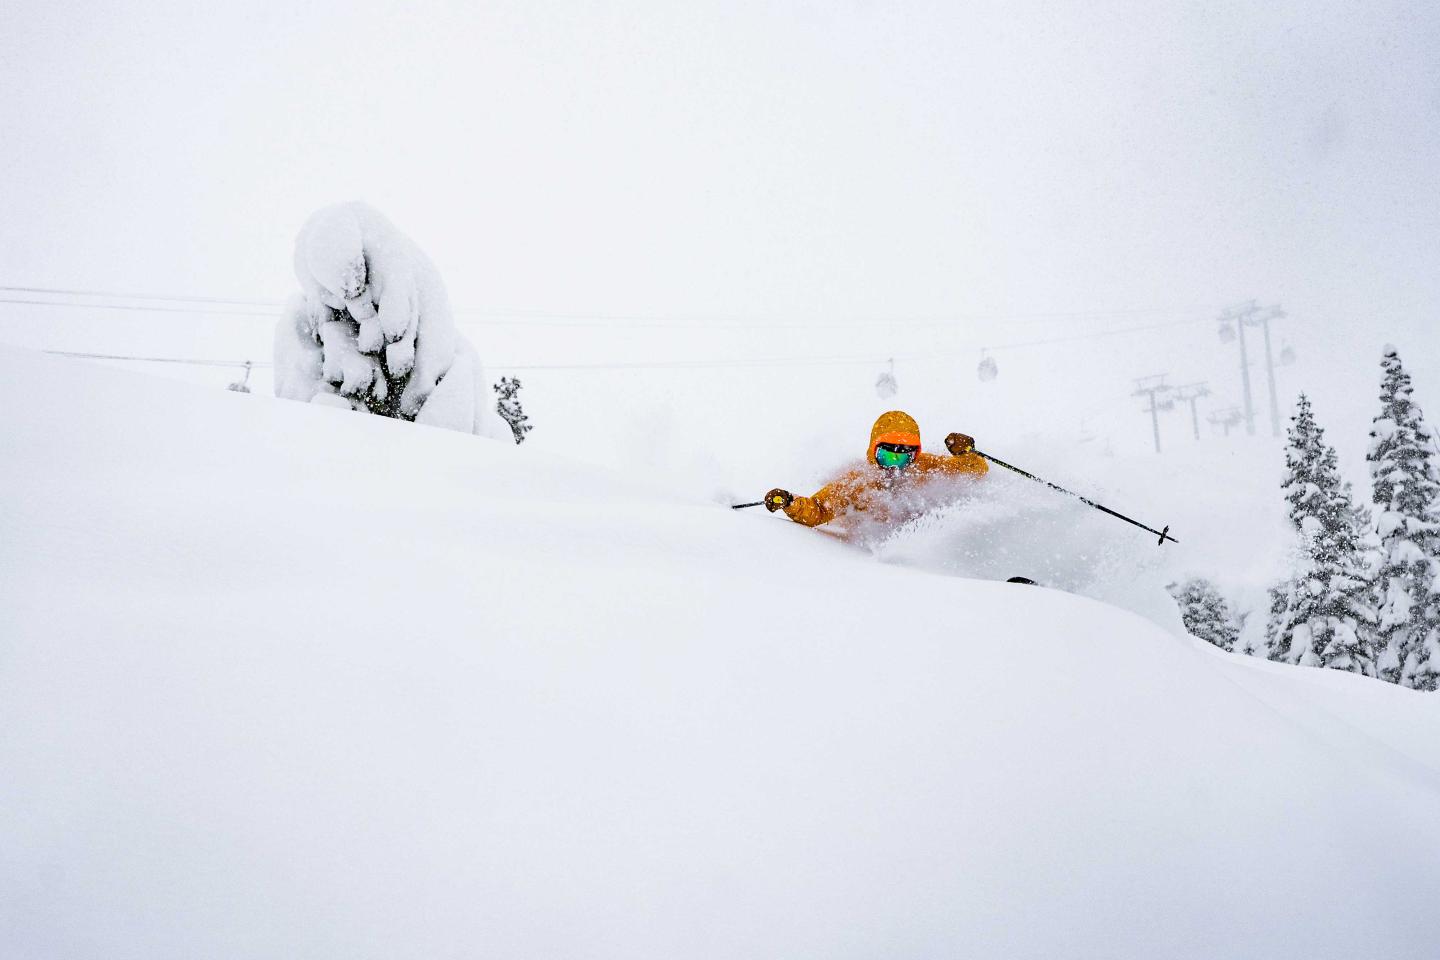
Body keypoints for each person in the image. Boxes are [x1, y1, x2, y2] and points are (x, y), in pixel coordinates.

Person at [764, 410, 987, 528]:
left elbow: (975, 471)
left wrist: (967, 452)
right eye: (886, 457)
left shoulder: (927, 467)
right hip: (868, 563)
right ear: (873, 452)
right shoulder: (857, 482)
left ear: (915, 456)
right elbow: (819, 510)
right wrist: (790, 502)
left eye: (902, 459)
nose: (893, 467)